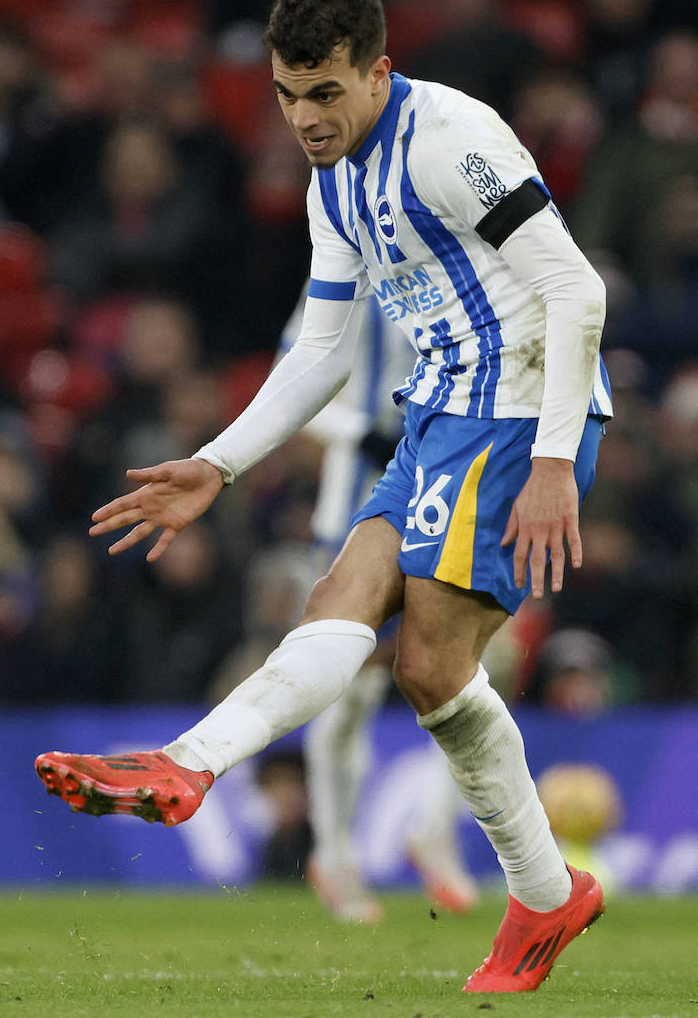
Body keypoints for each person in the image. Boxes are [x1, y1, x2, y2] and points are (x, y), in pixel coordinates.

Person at [35, 0, 611, 994]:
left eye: (325, 94)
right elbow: (325, 352)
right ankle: (188, 763)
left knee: (429, 666)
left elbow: (577, 287)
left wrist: (558, 460)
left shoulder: (449, 142)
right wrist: (217, 462)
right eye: (287, 95)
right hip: (440, 411)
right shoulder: (331, 178)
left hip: (521, 405)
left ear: (377, 72)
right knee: (339, 605)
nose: (305, 118)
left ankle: (541, 889)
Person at [281, 289, 479, 923]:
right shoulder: (349, 275)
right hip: (356, 501)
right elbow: (295, 371)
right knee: (352, 681)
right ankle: (335, 853)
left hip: (450, 490)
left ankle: (433, 831)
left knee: (468, 669)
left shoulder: (462, 271)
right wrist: (357, 429)